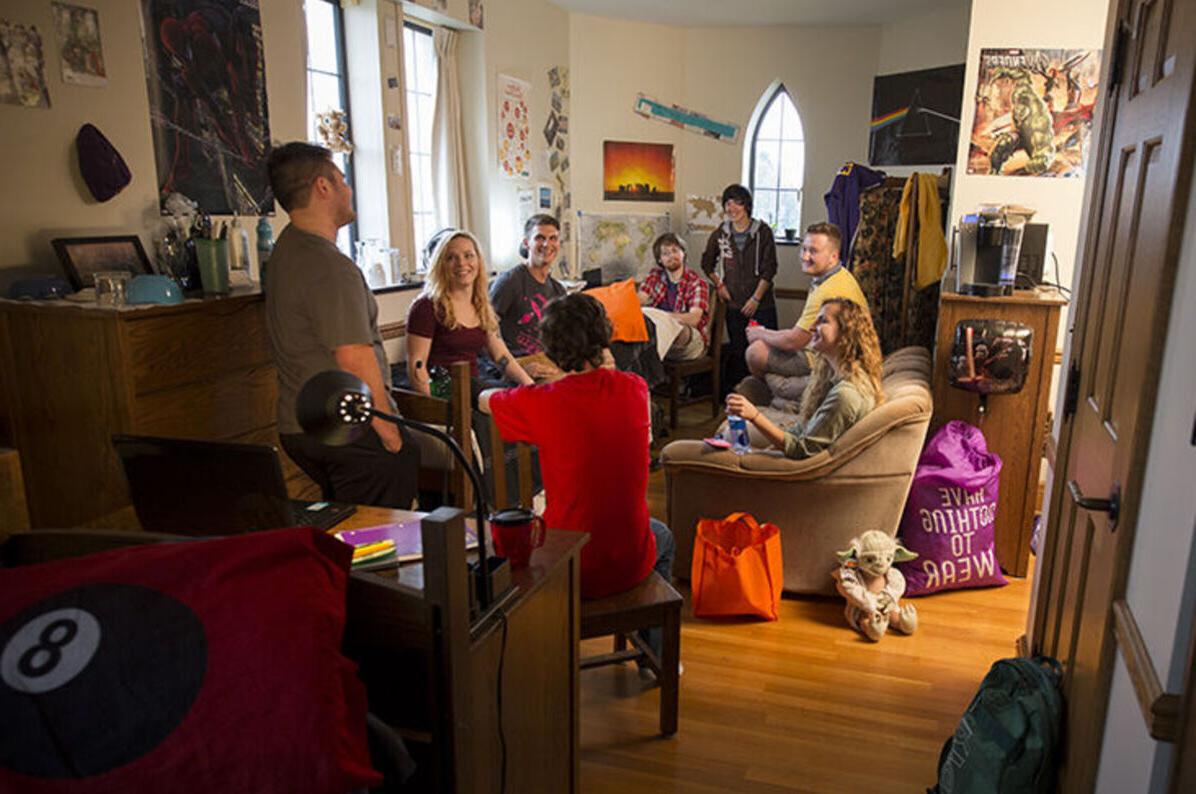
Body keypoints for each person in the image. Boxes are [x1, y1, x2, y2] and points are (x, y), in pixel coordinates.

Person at [479, 293, 675, 665]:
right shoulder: (635, 389)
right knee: (663, 535)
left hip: (568, 565)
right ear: (604, 338)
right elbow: (606, 376)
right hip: (627, 561)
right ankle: (655, 654)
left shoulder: (543, 400)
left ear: (551, 349)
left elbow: (488, 399)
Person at [263, 141, 419, 508]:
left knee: (347, 532)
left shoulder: (285, 251)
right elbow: (352, 356)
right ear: (323, 187)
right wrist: (389, 432)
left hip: (300, 428)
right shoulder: (329, 266)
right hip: (345, 426)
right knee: (380, 544)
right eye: (343, 179)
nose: (349, 189)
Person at [726, 298, 883, 459]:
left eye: (822, 321)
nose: (812, 327)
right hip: (794, 455)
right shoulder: (833, 375)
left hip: (802, 475)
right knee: (729, 436)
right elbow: (802, 430)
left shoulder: (846, 395)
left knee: (727, 437)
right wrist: (766, 452)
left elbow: (801, 450)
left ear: (845, 333)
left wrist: (754, 416)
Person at [739, 222, 871, 408]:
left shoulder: (829, 289)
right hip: (821, 349)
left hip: (827, 360)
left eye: (813, 251)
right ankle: (777, 396)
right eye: (804, 249)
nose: (805, 256)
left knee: (755, 351)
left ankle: (772, 397)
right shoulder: (836, 276)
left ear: (833, 257)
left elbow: (794, 340)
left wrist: (760, 333)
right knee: (764, 344)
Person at [405, 229, 534, 394]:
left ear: (478, 261)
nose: (461, 263)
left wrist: (530, 386)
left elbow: (501, 356)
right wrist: (434, 407)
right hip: (443, 392)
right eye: (451, 258)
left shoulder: (480, 305)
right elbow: (416, 364)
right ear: (441, 265)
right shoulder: (426, 306)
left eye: (468, 256)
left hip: (472, 390)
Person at [700, 184, 778, 393]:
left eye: (737, 202)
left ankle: (768, 397)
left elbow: (769, 269)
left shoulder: (762, 232)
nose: (731, 207)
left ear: (746, 206)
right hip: (734, 304)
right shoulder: (721, 233)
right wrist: (720, 284)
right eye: (727, 203)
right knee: (739, 351)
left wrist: (755, 299)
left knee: (764, 352)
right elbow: (707, 263)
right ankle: (744, 395)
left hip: (762, 305)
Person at [489, 214, 567, 359]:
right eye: (539, 238)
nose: (546, 244)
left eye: (553, 239)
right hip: (515, 364)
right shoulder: (509, 282)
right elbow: (486, 332)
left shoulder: (559, 290)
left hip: (546, 361)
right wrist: (511, 367)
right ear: (526, 243)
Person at [638, 232, 710, 361]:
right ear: (660, 259)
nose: (672, 256)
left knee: (668, 328)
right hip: (659, 337)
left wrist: (661, 317)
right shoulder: (654, 276)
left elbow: (693, 319)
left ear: (683, 253)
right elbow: (640, 300)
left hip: (691, 340)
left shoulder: (697, 283)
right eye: (666, 253)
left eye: (675, 251)